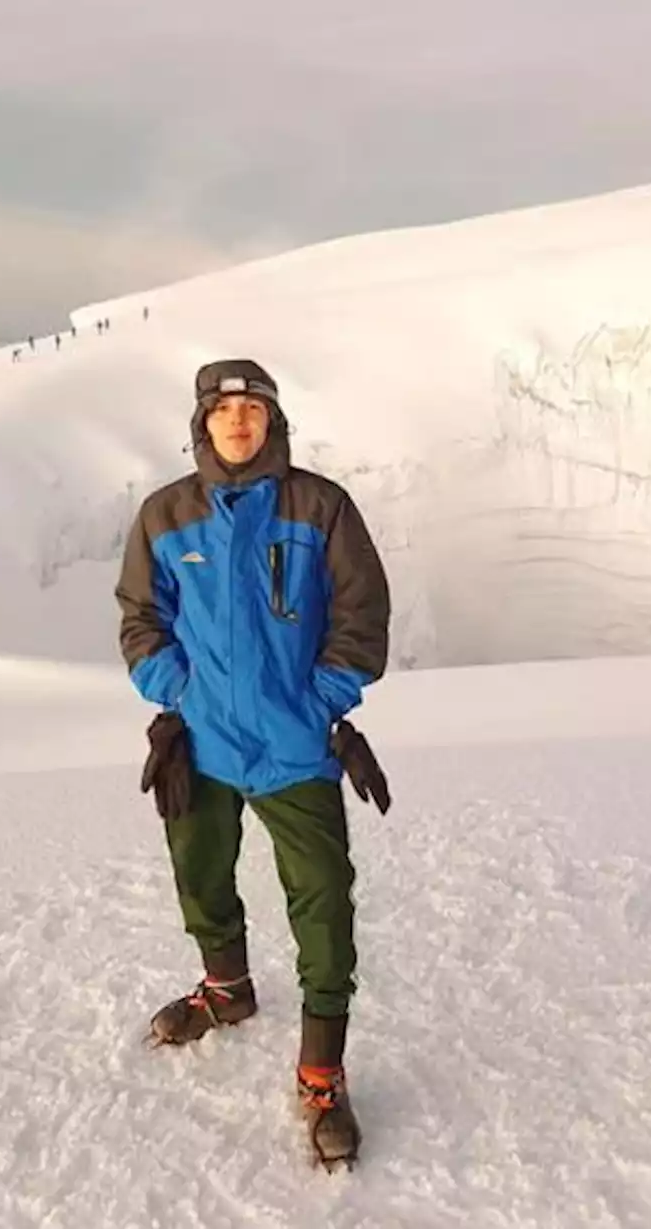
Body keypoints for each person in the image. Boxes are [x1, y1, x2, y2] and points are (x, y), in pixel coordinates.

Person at [115, 359, 391, 1165]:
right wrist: (178, 691)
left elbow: (361, 612)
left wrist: (322, 701)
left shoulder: (321, 507)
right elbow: (141, 618)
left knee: (324, 899)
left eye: (253, 408)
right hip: (200, 744)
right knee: (200, 872)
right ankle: (228, 990)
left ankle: (322, 1070)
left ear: (274, 420)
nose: (239, 422)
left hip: (296, 743)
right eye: (224, 409)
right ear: (203, 422)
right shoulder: (165, 515)